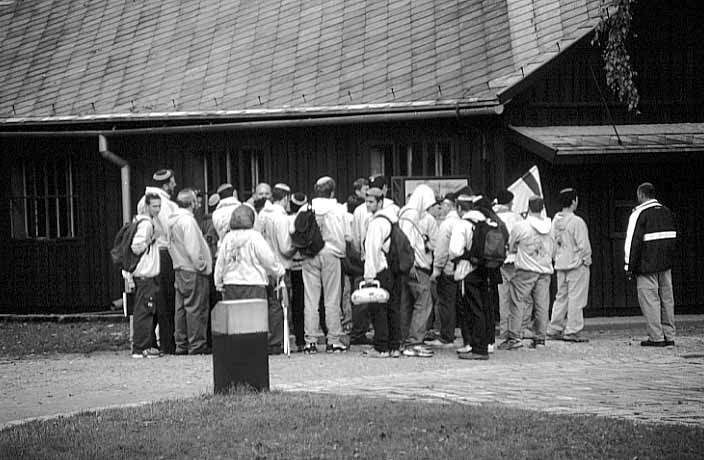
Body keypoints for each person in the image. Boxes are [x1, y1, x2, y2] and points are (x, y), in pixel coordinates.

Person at [624, 182, 677, 347]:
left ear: (641, 195)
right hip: (665, 265)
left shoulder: (639, 214)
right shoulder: (667, 212)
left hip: (646, 266)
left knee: (650, 300)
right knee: (667, 299)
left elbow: (632, 242)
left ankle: (656, 337)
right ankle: (669, 335)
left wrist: (629, 267)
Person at [301, 176, 349, 353]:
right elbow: (348, 235)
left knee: (311, 298)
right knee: (332, 298)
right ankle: (333, 340)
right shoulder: (339, 209)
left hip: (310, 253)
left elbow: (295, 230)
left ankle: (310, 341)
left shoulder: (306, 207)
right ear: (332, 191)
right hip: (332, 253)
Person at [500, 196, 553, 350]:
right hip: (545, 269)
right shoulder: (550, 225)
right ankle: (540, 338)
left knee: (517, 302)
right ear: (542, 208)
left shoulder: (521, 226)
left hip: (525, 269)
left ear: (528, 207)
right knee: (542, 304)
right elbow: (554, 247)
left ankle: (515, 337)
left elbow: (511, 246)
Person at [136, 168, 179, 354]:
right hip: (162, 253)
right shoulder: (164, 204)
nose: (175, 185)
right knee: (165, 300)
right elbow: (167, 230)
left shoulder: (143, 200)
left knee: (151, 300)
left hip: (150, 255)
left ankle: (149, 342)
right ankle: (167, 344)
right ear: (165, 184)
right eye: (173, 182)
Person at [167, 189, 213, 355]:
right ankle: (196, 345)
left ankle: (181, 344)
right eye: (196, 201)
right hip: (192, 270)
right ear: (192, 203)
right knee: (196, 308)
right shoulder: (188, 222)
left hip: (179, 268)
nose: (198, 204)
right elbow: (193, 248)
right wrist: (202, 266)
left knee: (181, 309)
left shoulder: (171, 220)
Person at [214, 204, 285, 305]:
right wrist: (279, 271)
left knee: (235, 319)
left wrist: (218, 283)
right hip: (254, 285)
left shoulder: (228, 238)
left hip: (231, 285)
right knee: (255, 318)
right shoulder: (255, 237)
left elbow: (220, 263)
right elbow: (268, 259)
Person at [361, 187, 402, 358]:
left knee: (378, 309)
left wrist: (369, 275)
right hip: (393, 269)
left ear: (380, 202)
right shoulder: (392, 218)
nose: (368, 205)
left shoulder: (376, 223)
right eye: (367, 201)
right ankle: (394, 346)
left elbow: (372, 250)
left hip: (380, 269)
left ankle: (381, 347)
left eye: (371, 202)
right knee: (392, 308)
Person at [547, 188, 592, 342]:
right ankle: (572, 330)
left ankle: (554, 327)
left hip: (560, 263)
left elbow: (551, 244)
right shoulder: (576, 222)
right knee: (576, 298)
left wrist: (555, 259)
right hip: (576, 264)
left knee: (561, 297)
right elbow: (584, 246)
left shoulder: (555, 221)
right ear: (573, 201)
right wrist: (586, 260)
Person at [398, 184, 436, 358]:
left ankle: (403, 340)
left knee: (406, 303)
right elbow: (407, 241)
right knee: (423, 302)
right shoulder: (412, 214)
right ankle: (415, 342)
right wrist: (411, 263)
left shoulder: (405, 212)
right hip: (417, 266)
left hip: (407, 266)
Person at [257, 183, 295, 355]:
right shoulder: (281, 217)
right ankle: (277, 341)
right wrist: (297, 246)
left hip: (263, 266)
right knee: (280, 305)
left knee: (268, 304)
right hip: (279, 265)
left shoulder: (262, 214)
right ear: (285, 198)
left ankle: (268, 338)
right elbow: (285, 246)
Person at [125, 193, 162, 359]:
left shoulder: (139, 221)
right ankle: (141, 347)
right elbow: (136, 246)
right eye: (154, 206)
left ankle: (142, 345)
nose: (158, 209)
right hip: (145, 274)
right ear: (146, 206)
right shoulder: (146, 225)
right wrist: (151, 240)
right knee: (144, 311)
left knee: (143, 310)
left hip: (142, 275)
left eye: (159, 206)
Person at [492, 190, 529, 344]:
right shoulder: (516, 218)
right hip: (516, 260)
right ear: (509, 202)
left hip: (499, 260)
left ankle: (504, 329)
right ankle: (518, 329)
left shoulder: (494, 217)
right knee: (519, 297)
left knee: (503, 296)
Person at [428, 193, 461, 348]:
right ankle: (451, 334)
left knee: (445, 303)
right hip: (460, 268)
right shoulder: (461, 222)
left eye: (442, 206)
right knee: (454, 303)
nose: (440, 209)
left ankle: (446, 336)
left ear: (449, 206)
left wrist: (436, 269)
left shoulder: (447, 224)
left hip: (447, 268)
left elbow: (441, 249)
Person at [288, 193, 308, 352]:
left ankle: (299, 338)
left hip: (291, 265)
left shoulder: (288, 220)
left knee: (295, 303)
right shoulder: (307, 220)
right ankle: (308, 336)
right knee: (310, 301)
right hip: (307, 265)